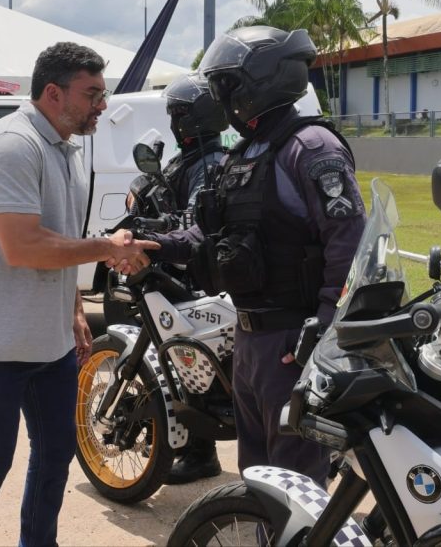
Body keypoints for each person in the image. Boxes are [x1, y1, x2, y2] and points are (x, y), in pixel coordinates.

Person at [0, 41, 160, 547]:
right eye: (92, 94)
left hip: (50, 341)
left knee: (57, 451)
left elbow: (60, 234)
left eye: (102, 93)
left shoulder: (70, 146)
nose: (102, 105)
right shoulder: (13, 146)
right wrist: (108, 246)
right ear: (54, 93)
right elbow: (23, 246)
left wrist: (74, 308)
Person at [145, 26, 366, 487]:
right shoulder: (242, 154)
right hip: (249, 340)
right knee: (259, 479)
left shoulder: (310, 148)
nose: (223, 98)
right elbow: (206, 233)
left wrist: (324, 327)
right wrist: (154, 245)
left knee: (297, 482)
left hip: (293, 342)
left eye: (228, 85)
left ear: (260, 80)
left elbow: (348, 243)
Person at [130, 73, 227, 485]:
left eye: (178, 114)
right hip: (181, 266)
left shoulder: (211, 163)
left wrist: (154, 228)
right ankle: (195, 448)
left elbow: (193, 221)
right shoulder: (190, 156)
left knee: (194, 360)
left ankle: (202, 453)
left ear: (194, 118)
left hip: (199, 275)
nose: (173, 122)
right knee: (184, 359)